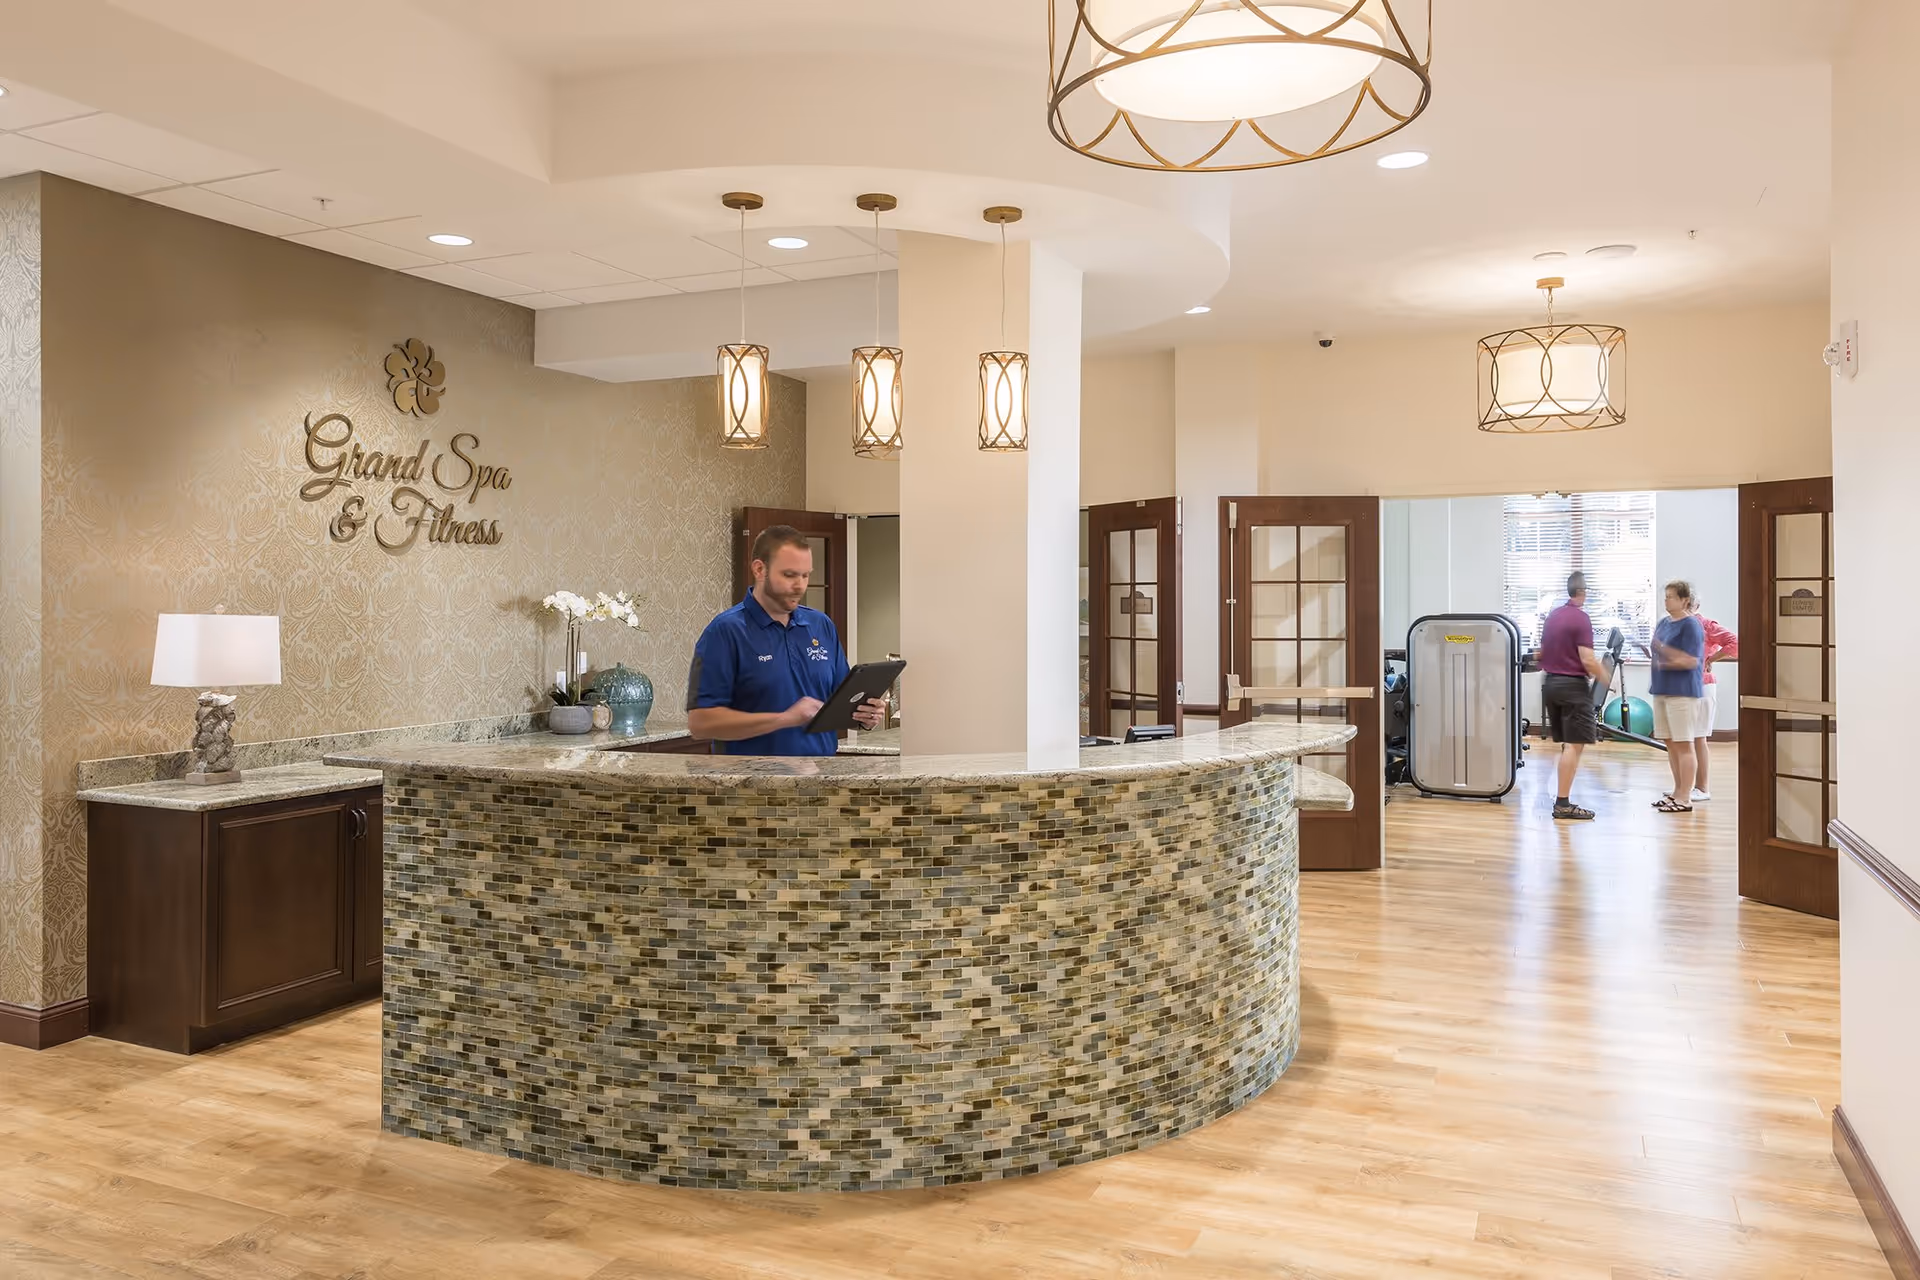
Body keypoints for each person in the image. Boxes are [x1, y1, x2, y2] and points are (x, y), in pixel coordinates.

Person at [686, 525, 886, 755]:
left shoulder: (821, 625)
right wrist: (784, 719)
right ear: (760, 569)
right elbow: (700, 723)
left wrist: (865, 716)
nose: (800, 585)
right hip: (752, 785)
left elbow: (839, 705)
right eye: (789, 575)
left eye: (806, 575)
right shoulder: (724, 632)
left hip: (819, 780)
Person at [1537, 570, 1611, 821]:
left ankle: (1562, 799)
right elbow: (1588, 660)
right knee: (1573, 746)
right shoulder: (1580, 618)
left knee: (1568, 745)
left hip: (1551, 684)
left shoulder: (1553, 616)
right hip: (1571, 687)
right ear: (1583, 592)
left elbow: (1542, 653)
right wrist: (1605, 679)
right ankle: (1563, 804)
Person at [1649, 579, 1709, 813]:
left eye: (1671, 596)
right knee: (1670, 743)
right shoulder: (1663, 623)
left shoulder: (1691, 625)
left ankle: (1685, 797)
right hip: (1662, 689)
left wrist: (1663, 652)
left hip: (1683, 692)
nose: (1666, 600)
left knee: (1684, 744)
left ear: (1685, 600)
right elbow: (1657, 650)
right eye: (1665, 596)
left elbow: (1691, 661)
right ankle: (1676, 792)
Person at [1688, 600, 1738, 802]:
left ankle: (1702, 788)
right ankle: (1685, 786)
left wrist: (1711, 659)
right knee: (1687, 739)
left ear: (1694, 605)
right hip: (1684, 688)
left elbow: (1735, 642)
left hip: (1702, 686)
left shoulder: (1707, 625)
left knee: (1699, 738)